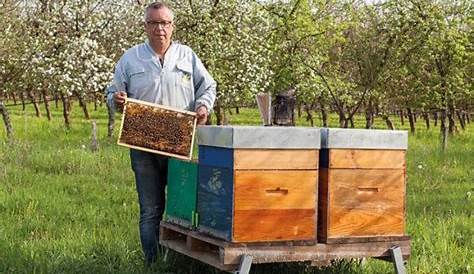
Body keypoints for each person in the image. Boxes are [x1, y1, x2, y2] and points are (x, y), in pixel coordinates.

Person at [106, 2, 216, 265]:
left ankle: (180, 261)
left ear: (172, 26)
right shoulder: (130, 58)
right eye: (154, 23)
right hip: (142, 144)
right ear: (145, 27)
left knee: (182, 207)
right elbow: (112, 93)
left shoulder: (187, 56)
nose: (159, 28)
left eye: (164, 23)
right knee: (151, 209)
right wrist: (116, 99)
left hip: (179, 142)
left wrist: (203, 106)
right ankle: (152, 263)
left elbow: (208, 86)